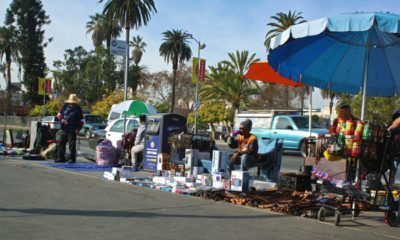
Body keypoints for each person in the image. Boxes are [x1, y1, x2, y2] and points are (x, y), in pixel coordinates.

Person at [55, 94, 84, 163]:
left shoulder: (78, 109)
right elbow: (59, 115)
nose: (72, 104)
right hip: (64, 128)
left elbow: (82, 120)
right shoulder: (64, 107)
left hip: (73, 128)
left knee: (72, 145)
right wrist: (62, 119)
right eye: (71, 102)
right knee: (61, 143)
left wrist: (78, 129)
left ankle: (72, 159)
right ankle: (61, 157)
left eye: (73, 103)